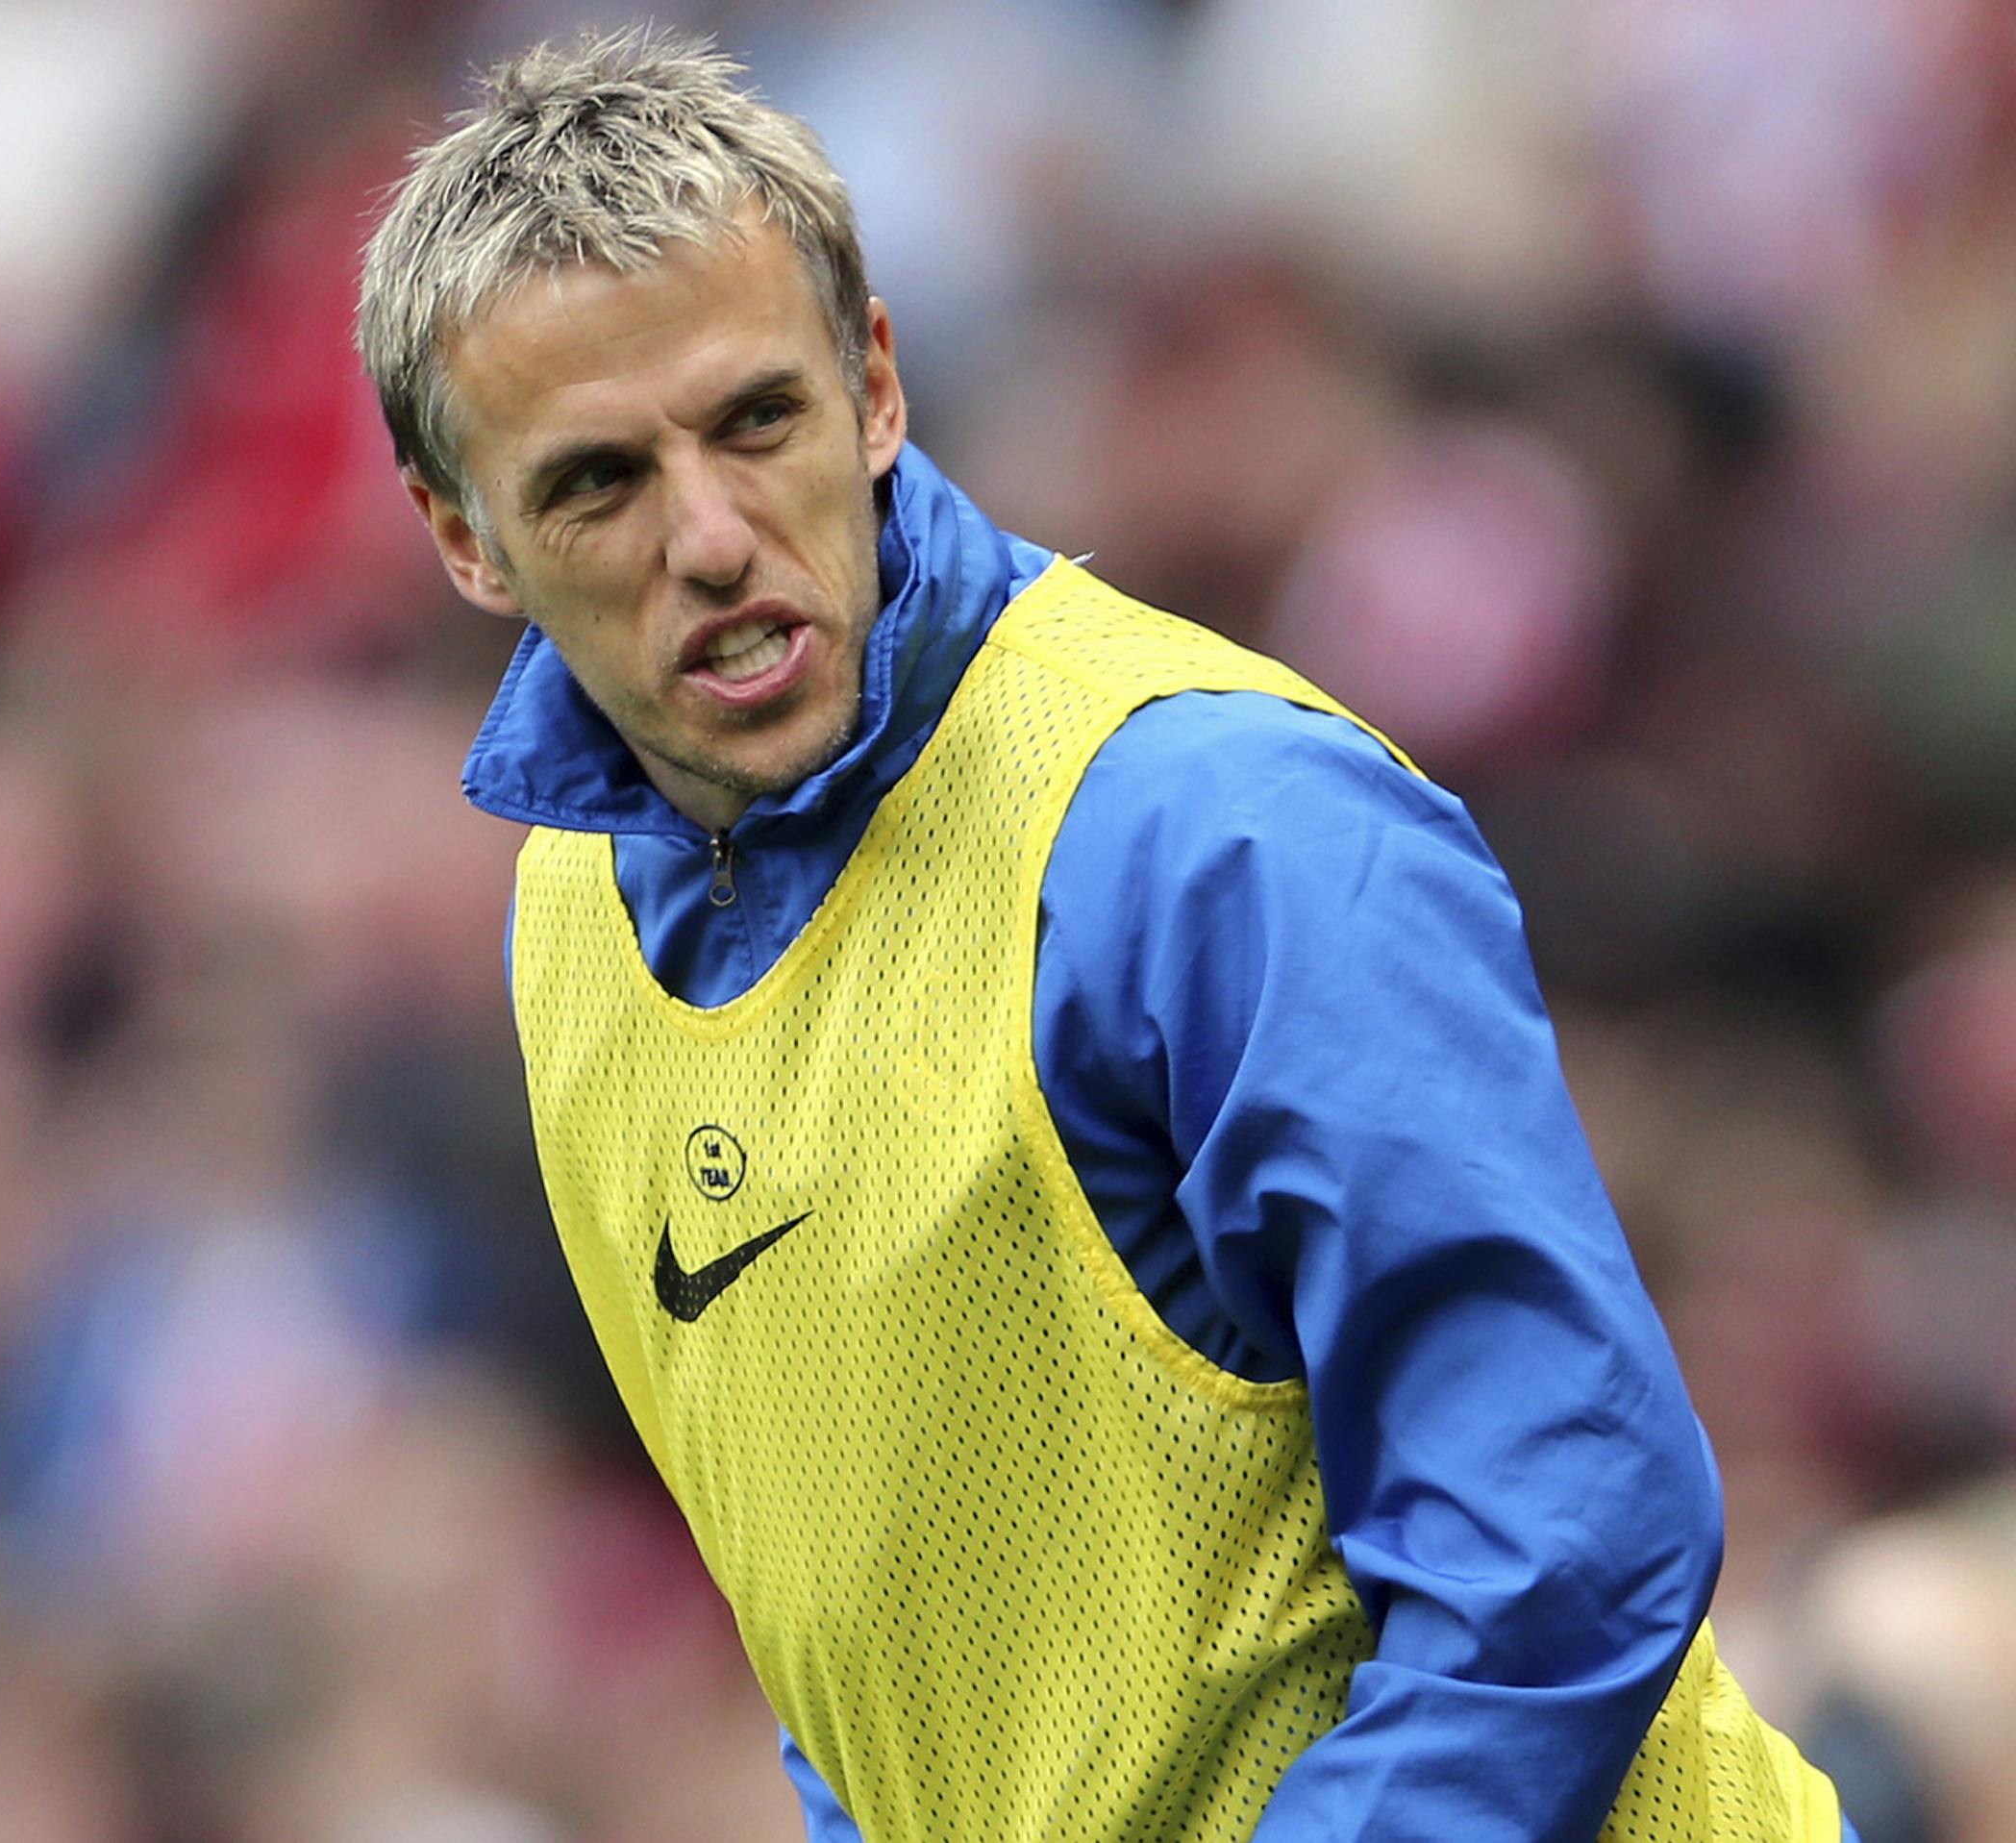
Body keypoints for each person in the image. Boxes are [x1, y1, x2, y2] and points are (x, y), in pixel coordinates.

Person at [356, 27, 1854, 1843]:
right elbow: (882, 1690)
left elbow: (1563, 1550)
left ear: (878, 388)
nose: (713, 534)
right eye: (597, 482)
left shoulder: (1216, 830)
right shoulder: (567, 922)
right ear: (467, 541)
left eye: (759, 420)